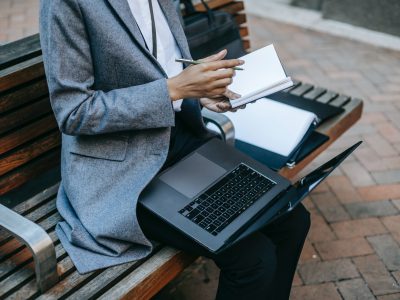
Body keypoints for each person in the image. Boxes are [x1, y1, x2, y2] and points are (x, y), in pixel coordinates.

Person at [39, 0, 310, 298]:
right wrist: (176, 89)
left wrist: (199, 94)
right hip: (123, 169)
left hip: (181, 139)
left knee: (293, 219)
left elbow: (162, 65)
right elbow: (74, 111)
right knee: (254, 260)